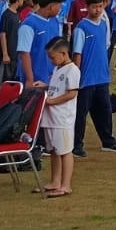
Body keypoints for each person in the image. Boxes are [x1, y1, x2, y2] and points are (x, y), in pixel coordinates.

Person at [71, 0, 116, 156]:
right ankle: (76, 145)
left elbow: (105, 48)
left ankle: (108, 141)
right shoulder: (82, 27)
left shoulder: (103, 24)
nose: (98, 10)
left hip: (101, 77)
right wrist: (76, 76)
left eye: (100, 6)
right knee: (81, 113)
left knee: (105, 111)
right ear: (87, 7)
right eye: (94, 7)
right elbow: (77, 53)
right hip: (86, 78)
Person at [40, 37, 80, 199]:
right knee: (54, 150)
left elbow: (71, 93)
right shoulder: (58, 69)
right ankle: (55, 181)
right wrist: (45, 86)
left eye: (53, 57)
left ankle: (66, 185)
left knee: (65, 151)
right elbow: (57, 88)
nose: (51, 61)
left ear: (64, 53)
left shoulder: (73, 70)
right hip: (51, 117)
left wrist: (51, 102)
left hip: (62, 119)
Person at [16, 0, 64, 88]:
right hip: (35, 77)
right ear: (51, 6)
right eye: (59, 7)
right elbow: (24, 53)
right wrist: (30, 79)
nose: (60, 10)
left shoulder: (56, 22)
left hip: (51, 77)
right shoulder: (28, 25)